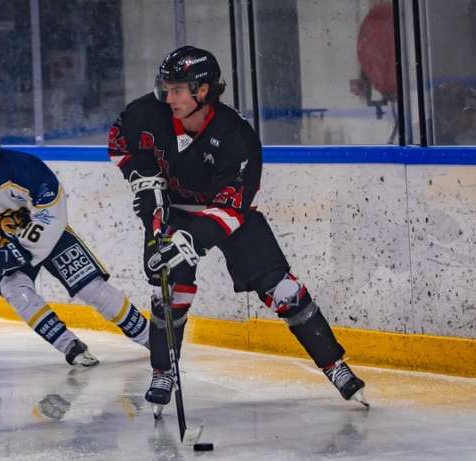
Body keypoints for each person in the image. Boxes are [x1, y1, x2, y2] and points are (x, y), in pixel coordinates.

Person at [107, 46, 369, 410]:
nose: (169, 97)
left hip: (225, 213)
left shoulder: (235, 135)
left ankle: (336, 366)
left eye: (179, 89)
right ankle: (163, 373)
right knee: (170, 294)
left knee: (284, 291)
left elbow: (231, 208)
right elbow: (120, 144)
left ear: (203, 90)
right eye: (166, 87)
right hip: (173, 211)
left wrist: (189, 242)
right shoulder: (148, 113)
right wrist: (144, 181)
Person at [0, 113, 149, 367]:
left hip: (52, 237)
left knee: (92, 289)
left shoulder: (28, 167)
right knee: (17, 293)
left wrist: (22, 249)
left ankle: (150, 336)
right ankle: (69, 345)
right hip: (4, 247)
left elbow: (51, 213)